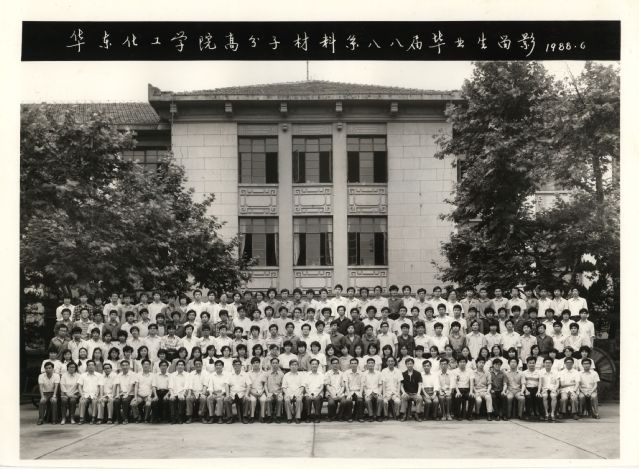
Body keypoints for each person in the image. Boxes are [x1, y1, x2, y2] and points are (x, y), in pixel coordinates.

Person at [204, 360, 229, 424]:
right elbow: (210, 386)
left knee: (219, 399)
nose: (218, 366)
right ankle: (211, 416)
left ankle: (219, 417)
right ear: (215, 366)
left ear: (222, 366)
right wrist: (211, 393)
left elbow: (226, 386)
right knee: (209, 398)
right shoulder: (212, 375)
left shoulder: (226, 375)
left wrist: (221, 393)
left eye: (220, 365)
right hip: (214, 393)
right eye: (217, 365)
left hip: (222, 393)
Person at [78, 360, 102, 424]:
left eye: (92, 365)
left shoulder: (99, 375)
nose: (91, 366)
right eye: (89, 365)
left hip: (95, 394)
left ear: (95, 366)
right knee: (82, 401)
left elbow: (99, 386)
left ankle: (93, 418)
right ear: (87, 367)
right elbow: (79, 386)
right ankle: (82, 418)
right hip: (85, 394)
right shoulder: (83, 375)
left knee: (95, 401)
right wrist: (82, 395)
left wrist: (96, 395)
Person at [282, 359, 305, 424]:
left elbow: (302, 386)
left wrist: (299, 393)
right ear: (289, 366)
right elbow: (284, 387)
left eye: (295, 365)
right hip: (288, 392)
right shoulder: (286, 375)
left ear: (298, 366)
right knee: (287, 400)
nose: (294, 366)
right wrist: (287, 394)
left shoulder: (301, 375)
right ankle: (289, 417)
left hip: (298, 392)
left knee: (299, 400)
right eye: (292, 365)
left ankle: (297, 417)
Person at [167, 359, 189, 424]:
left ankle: (180, 418)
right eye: (179, 365)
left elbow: (186, 386)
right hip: (174, 393)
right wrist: (172, 394)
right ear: (176, 366)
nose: (180, 366)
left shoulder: (187, 375)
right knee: (172, 400)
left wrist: (182, 394)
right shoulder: (172, 375)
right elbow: (170, 386)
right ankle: (173, 418)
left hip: (183, 393)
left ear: (184, 366)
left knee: (181, 400)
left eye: (182, 365)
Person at [246, 357, 268, 423]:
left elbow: (265, 385)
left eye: (257, 362)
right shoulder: (248, 373)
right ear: (252, 364)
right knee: (253, 400)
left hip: (261, 391)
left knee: (263, 399)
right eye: (254, 363)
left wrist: (262, 391)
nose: (255, 364)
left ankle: (262, 416)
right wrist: (252, 393)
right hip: (252, 391)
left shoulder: (264, 373)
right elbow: (248, 385)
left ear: (259, 363)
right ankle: (252, 416)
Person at [539, 357, 559, 421]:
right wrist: (540, 391)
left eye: (549, 363)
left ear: (552, 364)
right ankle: (546, 413)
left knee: (553, 396)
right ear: (544, 364)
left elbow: (557, 383)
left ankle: (552, 413)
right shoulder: (541, 372)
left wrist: (555, 389)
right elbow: (540, 383)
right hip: (544, 388)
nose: (548, 364)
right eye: (546, 363)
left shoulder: (556, 372)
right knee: (544, 396)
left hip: (553, 388)